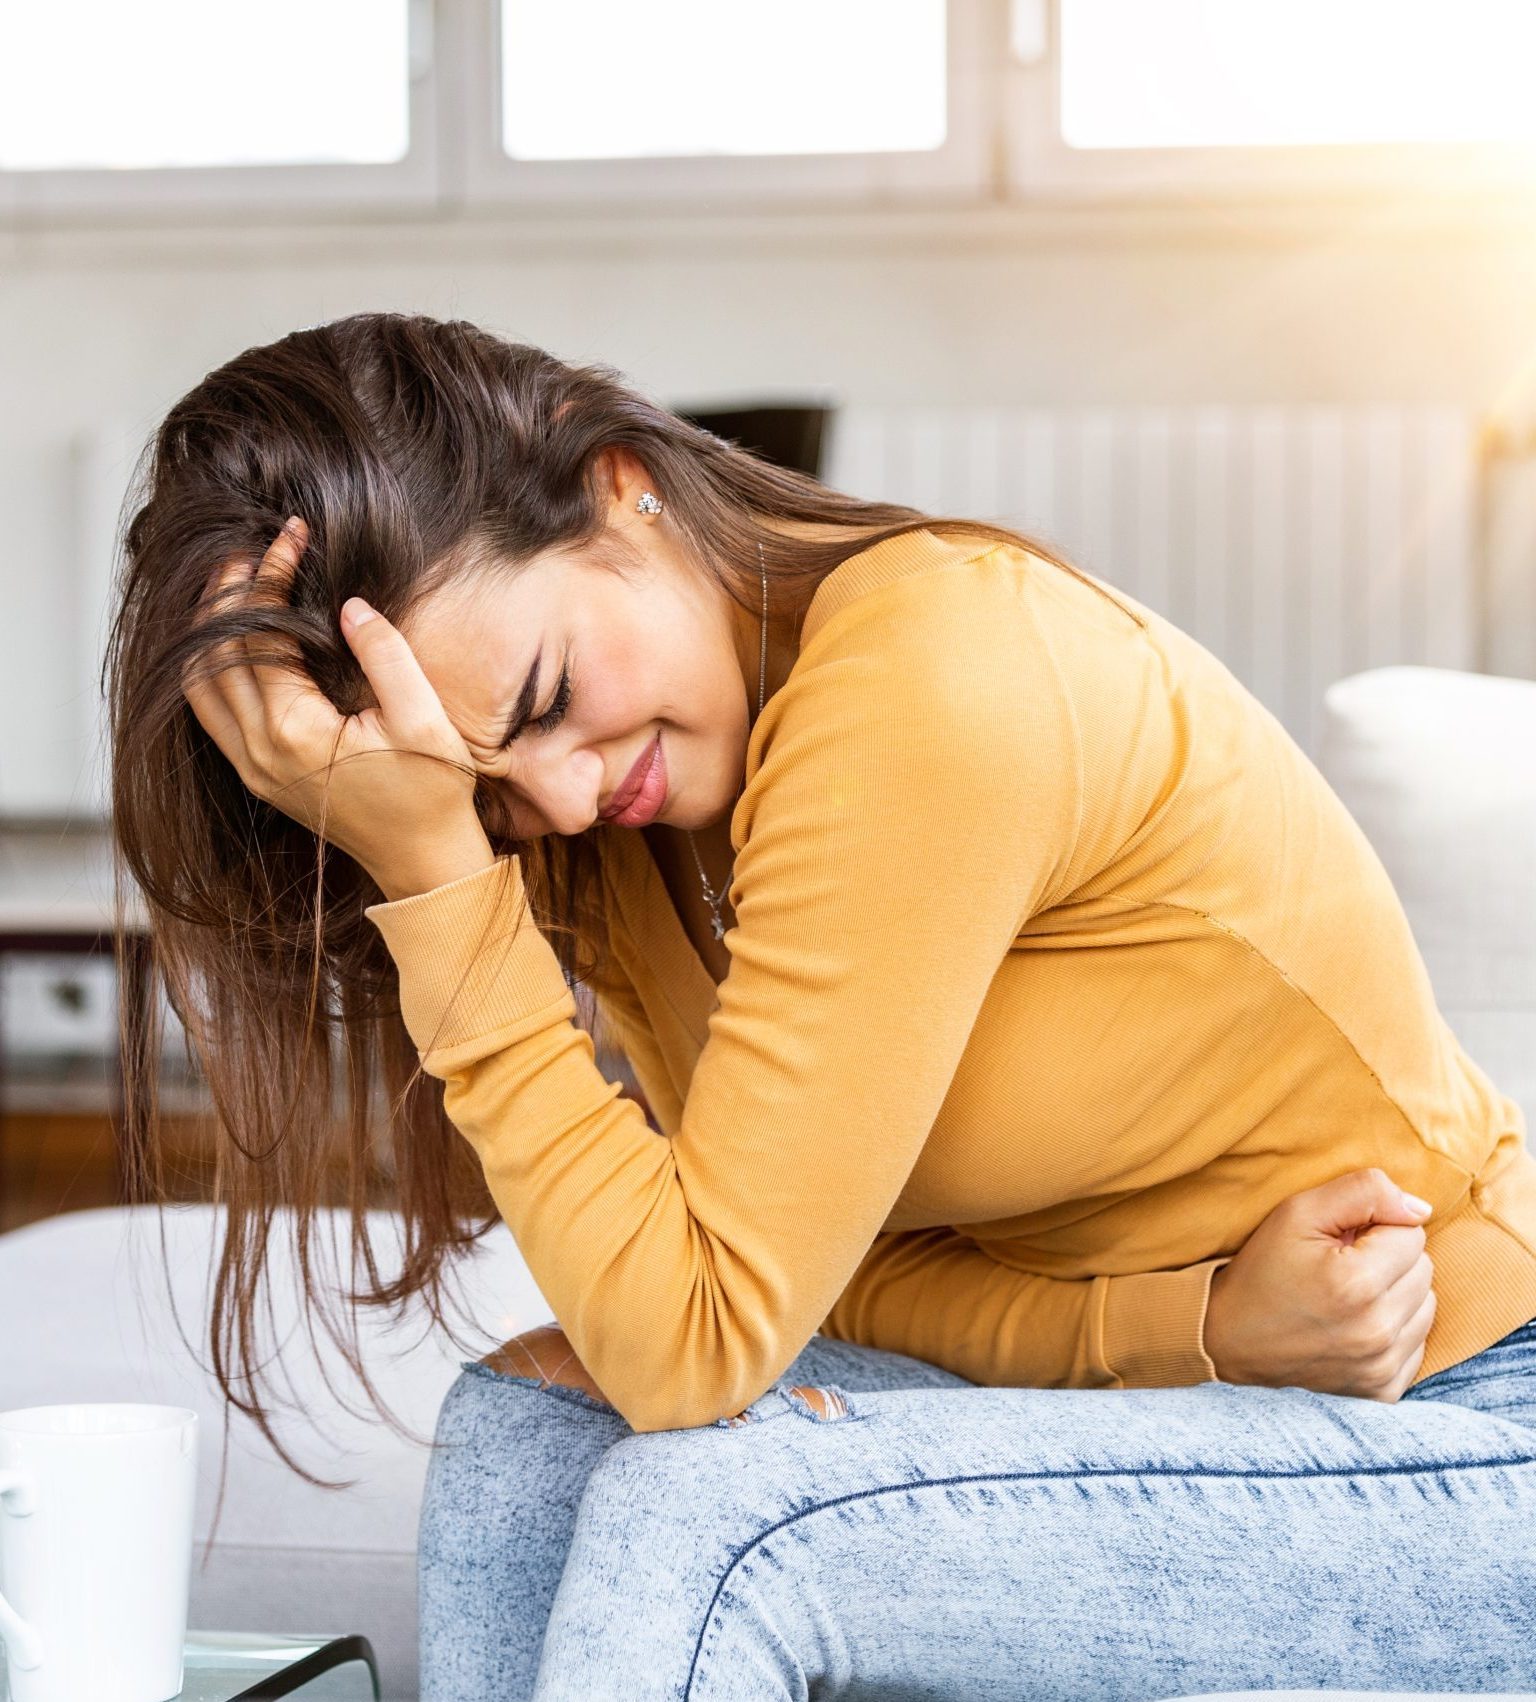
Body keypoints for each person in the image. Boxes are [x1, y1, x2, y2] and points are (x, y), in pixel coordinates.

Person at [106, 311, 1536, 1700]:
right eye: (473, 794)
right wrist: (1194, 1322)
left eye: (546, 694)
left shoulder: (926, 679)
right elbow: (801, 1281)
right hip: (1214, 1390)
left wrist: (429, 866)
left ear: (620, 485)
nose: (554, 796)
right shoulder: (617, 826)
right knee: (522, 1431)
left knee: (714, 1524)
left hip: (1459, 1415)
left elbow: (698, 1340)